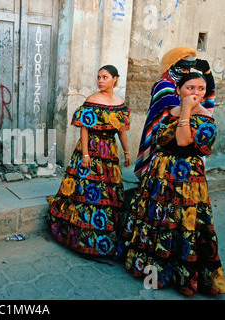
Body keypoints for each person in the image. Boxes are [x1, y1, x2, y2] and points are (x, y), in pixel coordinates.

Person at [122, 72, 225, 296]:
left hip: (186, 180)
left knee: (181, 224)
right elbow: (160, 140)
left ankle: (180, 276)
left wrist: (187, 109)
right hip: (161, 174)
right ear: (178, 90)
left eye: (201, 89)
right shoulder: (171, 112)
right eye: (190, 88)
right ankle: (152, 270)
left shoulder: (206, 118)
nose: (196, 93)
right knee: (158, 220)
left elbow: (182, 141)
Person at [46, 65, 131, 257]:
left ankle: (103, 238)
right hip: (90, 149)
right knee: (85, 191)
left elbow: (122, 131)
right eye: (99, 77)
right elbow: (84, 128)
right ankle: (80, 238)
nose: (100, 81)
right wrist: (85, 155)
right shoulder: (92, 100)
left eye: (105, 77)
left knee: (107, 193)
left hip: (109, 152)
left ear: (115, 80)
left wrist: (126, 151)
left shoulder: (119, 102)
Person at [134, 46, 215, 179]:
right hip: (168, 145)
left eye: (188, 68)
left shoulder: (189, 86)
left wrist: (207, 72)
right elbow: (168, 120)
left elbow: (206, 95)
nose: (186, 72)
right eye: (183, 67)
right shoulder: (165, 86)